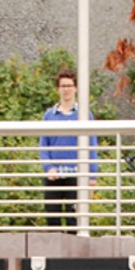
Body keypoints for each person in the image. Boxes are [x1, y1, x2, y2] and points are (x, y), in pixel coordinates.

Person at [38, 67, 95, 228]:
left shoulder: (84, 114)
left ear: (75, 88)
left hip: (76, 174)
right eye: (63, 86)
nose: (66, 89)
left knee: (74, 219)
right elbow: (43, 145)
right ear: (58, 89)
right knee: (52, 216)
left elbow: (92, 146)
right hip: (54, 175)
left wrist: (92, 176)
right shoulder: (49, 115)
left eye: (69, 85)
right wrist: (48, 168)